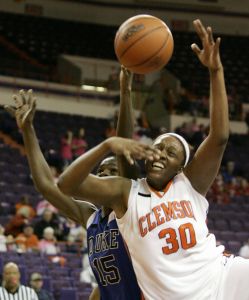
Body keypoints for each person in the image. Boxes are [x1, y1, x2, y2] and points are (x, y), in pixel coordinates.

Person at [57, 20, 249, 300]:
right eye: (157, 148)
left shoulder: (190, 184)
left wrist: (216, 71)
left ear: (181, 167)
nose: (160, 155)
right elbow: (67, 184)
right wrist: (108, 144)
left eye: (171, 153)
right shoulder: (127, 193)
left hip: (222, 279)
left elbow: (219, 136)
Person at [5, 66, 143, 300]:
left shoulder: (130, 209)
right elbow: (47, 186)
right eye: (100, 172)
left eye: (112, 172)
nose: (104, 177)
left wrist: (125, 92)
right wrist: (28, 131)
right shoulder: (90, 216)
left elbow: (124, 148)